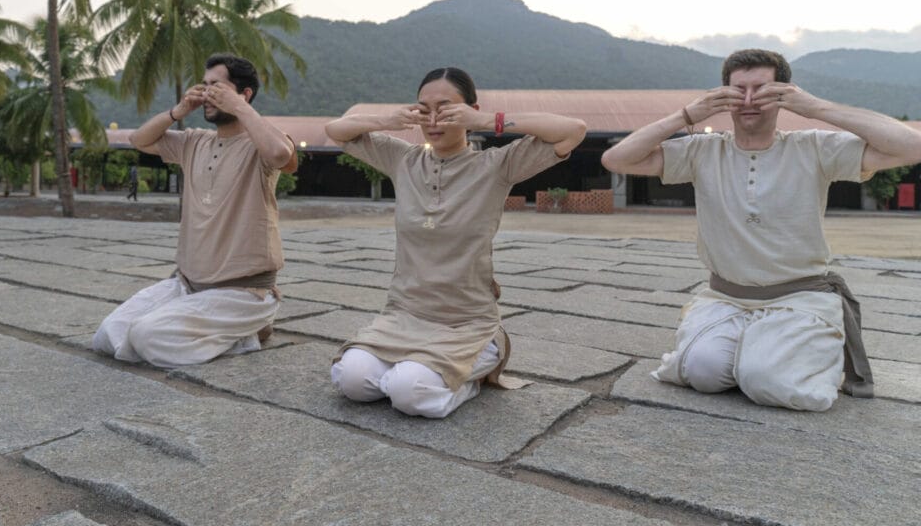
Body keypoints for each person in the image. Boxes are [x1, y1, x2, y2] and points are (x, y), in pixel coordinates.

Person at [602, 48, 921, 411]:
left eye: (763, 89)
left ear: (784, 93)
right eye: (740, 90)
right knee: (703, 373)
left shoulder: (814, 147)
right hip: (725, 298)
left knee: (767, 381)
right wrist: (688, 114)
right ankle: (760, 351)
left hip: (798, 297)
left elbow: (914, 145)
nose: (750, 100)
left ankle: (790, 352)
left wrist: (813, 106)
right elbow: (615, 159)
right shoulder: (702, 151)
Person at [326, 67, 587, 418]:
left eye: (446, 108)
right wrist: (389, 118)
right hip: (403, 315)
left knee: (409, 391)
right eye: (424, 108)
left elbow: (573, 131)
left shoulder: (496, 165)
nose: (433, 118)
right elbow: (336, 132)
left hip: (466, 321)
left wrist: (487, 121)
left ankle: (469, 376)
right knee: (350, 380)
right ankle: (421, 372)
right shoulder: (403, 159)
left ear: (469, 108)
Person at [92, 53, 297, 367]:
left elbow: (280, 153)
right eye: (205, 85)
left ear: (245, 93)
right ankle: (237, 333)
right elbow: (139, 140)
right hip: (188, 284)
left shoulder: (260, 144)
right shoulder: (194, 142)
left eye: (217, 86)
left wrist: (239, 107)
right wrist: (180, 110)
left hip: (245, 293)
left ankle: (246, 330)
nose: (208, 93)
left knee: (146, 337)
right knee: (108, 335)